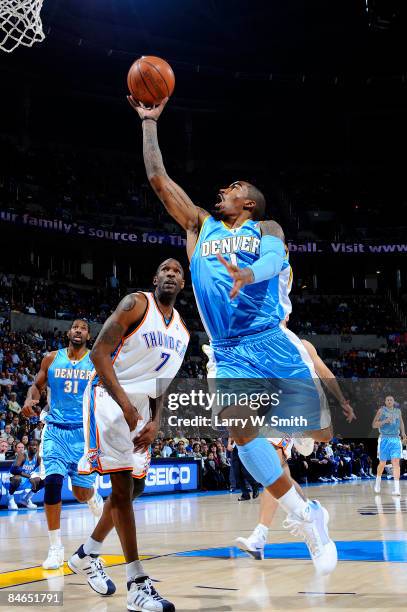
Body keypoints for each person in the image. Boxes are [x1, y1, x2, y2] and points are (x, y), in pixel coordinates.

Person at [130, 96, 338, 575]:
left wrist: (249, 274)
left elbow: (274, 259)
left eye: (234, 186)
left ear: (248, 203)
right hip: (228, 351)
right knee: (242, 433)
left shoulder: (266, 225)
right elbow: (159, 179)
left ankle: (298, 449)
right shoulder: (199, 224)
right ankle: (306, 516)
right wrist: (148, 123)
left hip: (270, 337)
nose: (223, 188)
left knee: (319, 433)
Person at [72, 259, 188, 611]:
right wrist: (125, 405)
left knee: (134, 488)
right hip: (108, 396)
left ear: (182, 283)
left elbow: (161, 384)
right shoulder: (135, 303)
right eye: (165, 270)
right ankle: (137, 584)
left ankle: (87, 552)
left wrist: (157, 421)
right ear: (155, 279)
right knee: (122, 488)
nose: (171, 273)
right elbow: (98, 354)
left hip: (139, 409)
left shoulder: (182, 331)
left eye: (177, 271)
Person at [22, 319, 103, 570]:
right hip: (55, 430)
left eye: (83, 328)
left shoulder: (96, 361)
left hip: (83, 434)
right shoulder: (50, 358)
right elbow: (37, 385)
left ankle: (91, 496)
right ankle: (55, 548)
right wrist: (29, 400)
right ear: (69, 333)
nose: (78, 330)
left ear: (88, 336)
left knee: (80, 494)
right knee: (53, 484)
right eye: (75, 327)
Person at [372, 395, 406, 495]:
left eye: (391, 400)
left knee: (396, 463)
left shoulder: (398, 411)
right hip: (384, 439)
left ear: (394, 401)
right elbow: (374, 425)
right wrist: (385, 421)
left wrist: (403, 432)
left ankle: (397, 489)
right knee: (382, 463)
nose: (390, 401)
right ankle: (377, 482)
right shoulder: (381, 411)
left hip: (396, 439)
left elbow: (401, 422)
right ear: (385, 402)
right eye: (388, 400)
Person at [7, 439, 44, 510]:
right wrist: (30, 477)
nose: (35, 447)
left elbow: (44, 469)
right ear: (28, 447)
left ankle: (26, 499)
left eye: (36, 445)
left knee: (44, 480)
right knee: (17, 479)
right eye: (32, 445)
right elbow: (14, 470)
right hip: (11, 478)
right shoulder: (22, 455)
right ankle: (10, 499)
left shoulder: (38, 457)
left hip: (26, 478)